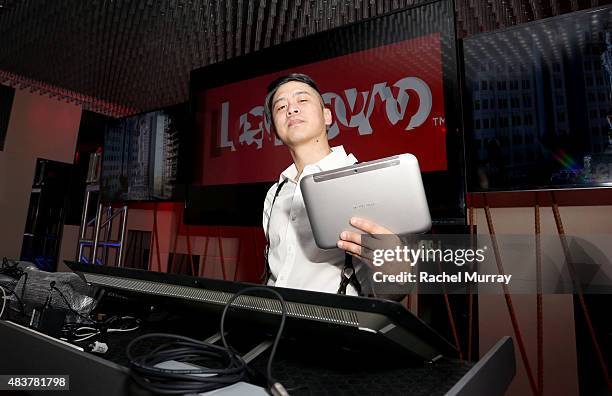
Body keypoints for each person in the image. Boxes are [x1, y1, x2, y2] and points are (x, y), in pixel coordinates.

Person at [262, 73, 396, 296]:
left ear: (327, 116)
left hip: (334, 325)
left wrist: (397, 272)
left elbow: (391, 290)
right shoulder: (274, 194)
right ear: (275, 130)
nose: (291, 109)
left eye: (302, 100)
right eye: (280, 106)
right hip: (273, 321)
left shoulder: (363, 182)